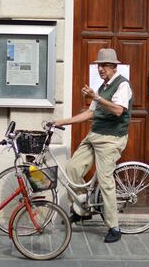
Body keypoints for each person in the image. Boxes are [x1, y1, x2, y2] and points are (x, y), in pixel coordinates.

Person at [53, 48, 132, 243]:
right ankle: (82, 209)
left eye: (104, 65)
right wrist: (62, 122)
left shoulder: (122, 86)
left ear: (114, 67)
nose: (100, 69)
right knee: (72, 168)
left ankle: (114, 227)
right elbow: (90, 113)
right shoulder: (104, 86)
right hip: (94, 135)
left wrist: (96, 97)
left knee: (105, 182)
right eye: (99, 65)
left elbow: (118, 111)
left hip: (111, 139)